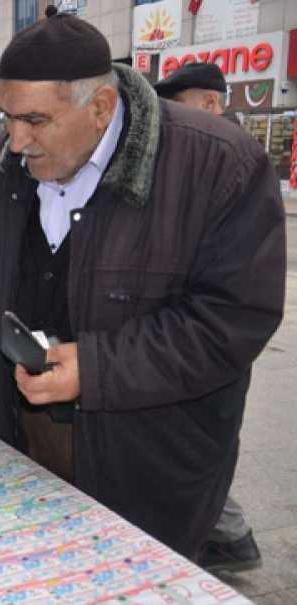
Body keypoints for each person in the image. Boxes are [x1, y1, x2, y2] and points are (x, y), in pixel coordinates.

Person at [0, 9, 285, 562]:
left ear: (101, 109)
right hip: (25, 452)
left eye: (35, 121)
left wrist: (96, 367)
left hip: (149, 468)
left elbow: (233, 317)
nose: (15, 141)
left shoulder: (217, 164)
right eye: (7, 117)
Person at [155, 60, 261, 572]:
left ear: (211, 105)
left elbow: (238, 298)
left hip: (209, 347)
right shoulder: (197, 160)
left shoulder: (236, 167)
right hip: (184, 341)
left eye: (177, 111)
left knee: (199, 456)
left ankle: (222, 543)